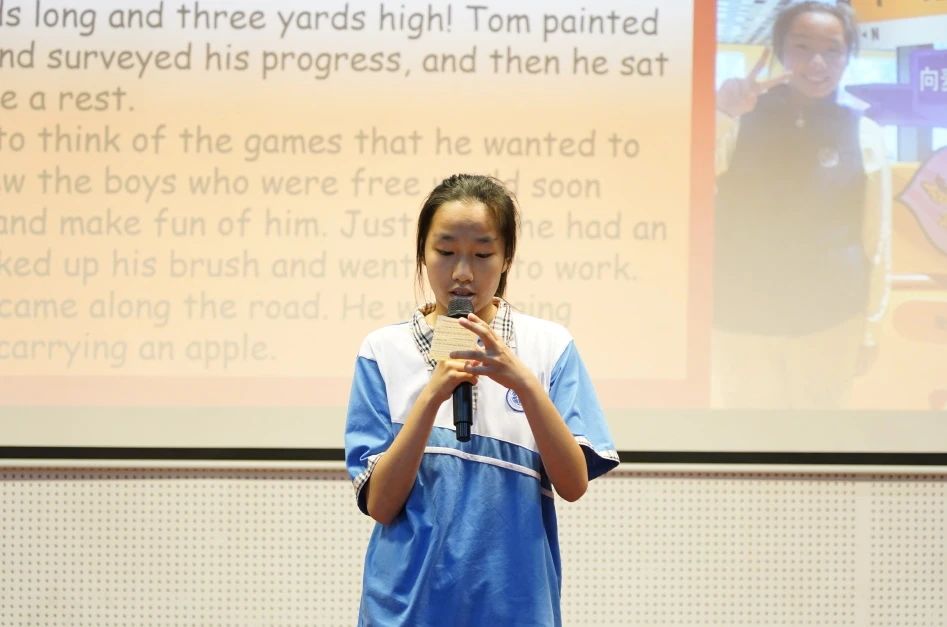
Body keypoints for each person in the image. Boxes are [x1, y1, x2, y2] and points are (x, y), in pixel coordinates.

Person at [344, 174, 619, 626]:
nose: (462, 273)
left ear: (507, 257)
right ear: (422, 253)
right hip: (406, 611)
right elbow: (381, 505)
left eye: (483, 254)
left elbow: (573, 486)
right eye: (445, 251)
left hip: (515, 609)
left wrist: (524, 384)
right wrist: (431, 398)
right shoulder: (382, 351)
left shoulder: (549, 347)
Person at [712, 1, 891, 409]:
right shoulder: (739, 119)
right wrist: (722, 113)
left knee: (819, 438)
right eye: (802, 46)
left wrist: (871, 326)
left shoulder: (864, 131)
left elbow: (876, 238)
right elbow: (687, 182)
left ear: (848, 56)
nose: (817, 63)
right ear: (780, 50)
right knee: (746, 436)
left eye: (832, 50)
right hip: (742, 318)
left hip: (831, 320)